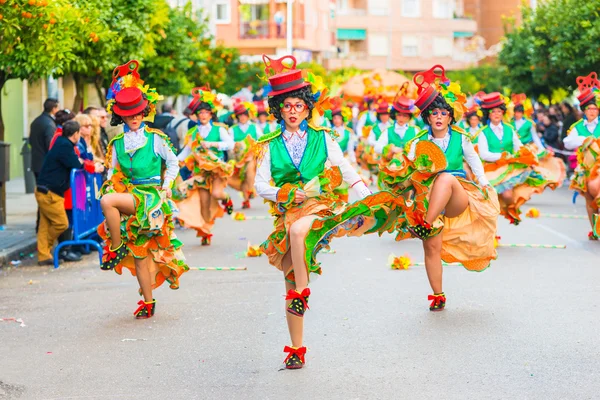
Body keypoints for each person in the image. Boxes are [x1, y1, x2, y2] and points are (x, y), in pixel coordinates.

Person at [255, 55, 395, 369]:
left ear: (308, 108)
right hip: (286, 211)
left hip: (317, 208)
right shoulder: (268, 144)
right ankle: (296, 348)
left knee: (299, 232)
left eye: (298, 105)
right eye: (287, 106)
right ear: (279, 109)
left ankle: (305, 288)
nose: (293, 111)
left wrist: (369, 198)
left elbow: (346, 170)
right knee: (289, 281)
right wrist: (283, 192)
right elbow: (259, 184)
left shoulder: (323, 138)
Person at [386, 65, 499, 311]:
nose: (438, 117)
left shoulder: (462, 138)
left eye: (443, 113)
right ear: (428, 117)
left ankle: (423, 224)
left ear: (450, 116)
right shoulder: (417, 144)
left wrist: (486, 185)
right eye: (434, 113)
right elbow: (407, 175)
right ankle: (438, 295)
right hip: (429, 200)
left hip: (458, 196)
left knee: (445, 178)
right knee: (431, 247)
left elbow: (476, 164)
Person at [98, 60, 188, 319]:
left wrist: (167, 186)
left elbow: (173, 162)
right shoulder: (116, 143)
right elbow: (110, 172)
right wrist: (112, 183)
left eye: (138, 113)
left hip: (150, 197)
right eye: (129, 114)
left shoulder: (156, 138)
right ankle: (148, 302)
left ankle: (115, 248)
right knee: (140, 255)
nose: (134, 117)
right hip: (130, 194)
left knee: (107, 202)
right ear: (122, 116)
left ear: (144, 113)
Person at [477, 92, 553, 225]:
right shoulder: (483, 132)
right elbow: (484, 154)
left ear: (503, 113)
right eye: (493, 111)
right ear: (488, 114)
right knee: (490, 202)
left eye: (499, 111)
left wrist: (526, 156)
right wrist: (502, 156)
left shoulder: (510, 129)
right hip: (491, 169)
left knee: (507, 195)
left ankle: (511, 209)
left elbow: (519, 147)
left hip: (509, 168)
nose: (496, 114)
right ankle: (493, 231)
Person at [35, 120, 102, 266]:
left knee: (45, 225)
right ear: (76, 133)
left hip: (50, 191)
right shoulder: (64, 146)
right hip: (50, 192)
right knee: (61, 223)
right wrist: (91, 166)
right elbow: (77, 163)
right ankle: (47, 246)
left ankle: (43, 255)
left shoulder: (63, 143)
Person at [174, 87, 234, 246]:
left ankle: (226, 198)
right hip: (200, 172)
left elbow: (230, 144)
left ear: (211, 114)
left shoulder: (219, 129)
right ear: (197, 115)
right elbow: (186, 151)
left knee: (216, 193)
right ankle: (206, 232)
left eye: (206, 112)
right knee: (204, 205)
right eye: (200, 113)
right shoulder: (193, 132)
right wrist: (174, 162)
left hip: (217, 170)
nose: (203, 115)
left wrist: (213, 144)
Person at [563, 72, 600, 239]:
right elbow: (567, 142)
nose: (592, 111)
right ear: (584, 110)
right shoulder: (577, 127)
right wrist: (585, 139)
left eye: (594, 108)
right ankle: (594, 230)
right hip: (586, 168)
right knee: (590, 199)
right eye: (589, 108)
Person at [228, 101, 263, 209]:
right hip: (238, 158)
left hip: (251, 156)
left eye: (244, 115)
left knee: (249, 171)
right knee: (241, 179)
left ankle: (251, 189)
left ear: (247, 116)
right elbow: (229, 144)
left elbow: (261, 139)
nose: (242, 117)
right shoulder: (232, 129)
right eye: (240, 116)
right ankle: (246, 199)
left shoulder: (254, 127)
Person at [30, 98, 59, 181]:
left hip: (36, 163)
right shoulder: (50, 124)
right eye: (57, 108)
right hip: (46, 165)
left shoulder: (36, 121)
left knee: (40, 191)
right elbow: (50, 145)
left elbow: (31, 140)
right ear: (54, 109)